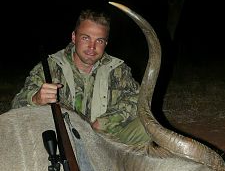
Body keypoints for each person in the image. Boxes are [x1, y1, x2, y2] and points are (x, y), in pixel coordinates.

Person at [11, 9, 150, 145]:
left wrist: (103, 123)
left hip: (105, 139)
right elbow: (17, 104)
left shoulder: (118, 69)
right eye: (85, 38)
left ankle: (119, 165)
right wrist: (36, 98)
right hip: (64, 142)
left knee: (147, 128)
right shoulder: (50, 67)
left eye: (99, 41)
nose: (92, 47)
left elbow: (137, 100)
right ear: (74, 37)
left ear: (106, 43)